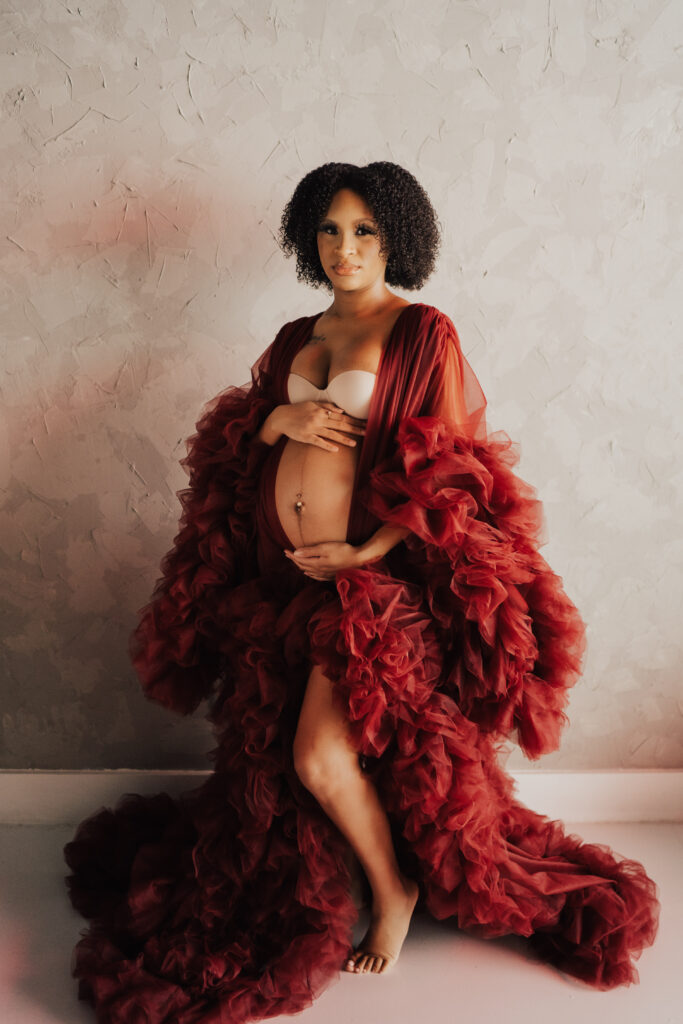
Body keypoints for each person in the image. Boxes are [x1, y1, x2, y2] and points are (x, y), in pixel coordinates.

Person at [63, 161, 660, 1022]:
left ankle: (392, 894)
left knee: (317, 754)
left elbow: (455, 467)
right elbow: (244, 455)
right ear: (309, 237)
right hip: (284, 580)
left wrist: (364, 549)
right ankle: (347, 875)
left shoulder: (421, 332)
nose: (345, 249)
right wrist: (277, 420)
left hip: (372, 589)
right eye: (331, 230)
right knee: (275, 775)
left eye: (365, 232)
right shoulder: (292, 338)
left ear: (397, 240)